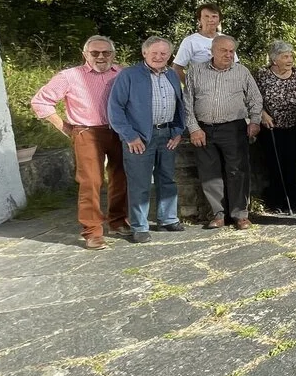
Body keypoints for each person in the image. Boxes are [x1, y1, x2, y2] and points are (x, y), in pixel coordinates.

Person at [31, 35, 128, 249]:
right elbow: (40, 101)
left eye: (106, 52)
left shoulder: (122, 73)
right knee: (91, 182)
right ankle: (92, 231)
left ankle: (118, 221)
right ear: (85, 54)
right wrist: (64, 127)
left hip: (118, 131)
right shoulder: (69, 76)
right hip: (86, 132)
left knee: (121, 177)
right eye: (95, 53)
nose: (101, 57)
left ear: (113, 54)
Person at [107, 37, 186, 243]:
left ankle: (167, 219)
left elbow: (180, 105)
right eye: (155, 53)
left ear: (169, 56)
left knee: (167, 178)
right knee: (140, 183)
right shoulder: (129, 75)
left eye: (164, 54)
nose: (159, 57)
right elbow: (115, 109)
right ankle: (140, 226)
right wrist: (130, 136)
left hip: (167, 135)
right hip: (139, 137)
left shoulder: (171, 75)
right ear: (144, 53)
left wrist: (178, 131)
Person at [183, 35, 263, 230]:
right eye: (223, 50)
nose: (228, 54)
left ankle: (240, 215)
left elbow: (255, 98)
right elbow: (186, 102)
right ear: (212, 51)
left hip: (233, 128)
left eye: (231, 51)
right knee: (209, 173)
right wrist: (193, 128)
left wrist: (255, 121)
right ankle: (218, 214)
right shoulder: (196, 71)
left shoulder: (242, 71)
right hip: (204, 129)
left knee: (238, 171)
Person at [256, 40, 296, 213]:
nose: (290, 59)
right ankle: (276, 201)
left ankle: (293, 199)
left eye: (291, 55)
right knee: (274, 164)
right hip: (271, 126)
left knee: (291, 163)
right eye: (285, 56)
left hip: (294, 125)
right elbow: (253, 98)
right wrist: (262, 114)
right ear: (274, 59)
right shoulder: (262, 74)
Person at [173, 3, 236, 82]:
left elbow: (236, 65)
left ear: (219, 20)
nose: (210, 20)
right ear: (199, 20)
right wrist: (190, 87)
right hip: (202, 91)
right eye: (206, 16)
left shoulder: (226, 40)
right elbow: (177, 68)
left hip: (227, 89)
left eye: (214, 16)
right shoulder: (190, 41)